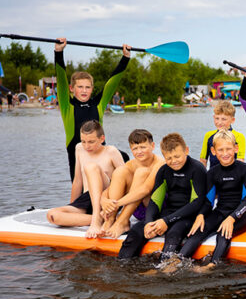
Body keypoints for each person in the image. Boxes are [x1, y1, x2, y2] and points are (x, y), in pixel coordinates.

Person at [118, 133, 207, 260]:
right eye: (169, 158)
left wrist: (166, 221)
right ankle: (123, 265)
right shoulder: (164, 170)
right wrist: (149, 223)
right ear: (163, 156)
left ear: (186, 150)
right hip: (168, 213)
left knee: (174, 233)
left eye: (177, 156)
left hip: (188, 216)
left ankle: (163, 271)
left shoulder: (197, 169)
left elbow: (197, 203)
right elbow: (155, 201)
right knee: (137, 229)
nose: (174, 161)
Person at [178, 130, 246, 273]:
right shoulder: (212, 172)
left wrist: (232, 218)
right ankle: (177, 260)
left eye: (228, 149)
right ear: (213, 151)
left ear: (236, 148)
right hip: (220, 211)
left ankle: (212, 264)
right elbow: (208, 202)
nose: (225, 153)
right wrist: (200, 216)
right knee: (199, 230)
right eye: (220, 150)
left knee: (223, 233)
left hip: (241, 214)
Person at [55, 38, 130, 180]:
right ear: (72, 89)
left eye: (87, 87)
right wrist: (58, 52)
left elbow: (111, 83)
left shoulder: (98, 103)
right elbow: (61, 81)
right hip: (78, 158)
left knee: (124, 156)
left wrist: (125, 58)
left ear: (92, 89)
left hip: (101, 155)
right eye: (80, 87)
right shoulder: (68, 105)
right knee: (83, 196)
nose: (84, 91)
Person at [46, 120, 125, 238]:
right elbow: (78, 180)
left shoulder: (111, 151)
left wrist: (123, 212)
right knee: (53, 215)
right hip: (87, 198)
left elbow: (126, 180)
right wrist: (72, 204)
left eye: (91, 142)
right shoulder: (79, 148)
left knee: (91, 167)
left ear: (102, 139)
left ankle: (97, 220)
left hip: (107, 198)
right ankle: (98, 218)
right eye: (83, 141)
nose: (87, 146)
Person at [99, 129, 165, 238]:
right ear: (131, 149)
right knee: (120, 171)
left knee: (141, 172)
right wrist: (105, 201)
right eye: (135, 148)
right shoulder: (131, 164)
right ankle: (110, 220)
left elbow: (146, 189)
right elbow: (109, 189)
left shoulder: (160, 163)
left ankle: (122, 222)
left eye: (143, 147)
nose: (139, 151)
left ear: (152, 146)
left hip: (155, 210)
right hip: (136, 210)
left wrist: (115, 204)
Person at [199, 100, 246, 168]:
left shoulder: (239, 137)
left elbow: (240, 161)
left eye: (224, 119)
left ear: (232, 120)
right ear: (213, 117)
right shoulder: (208, 136)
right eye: (217, 118)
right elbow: (203, 160)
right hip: (213, 176)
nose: (219, 122)